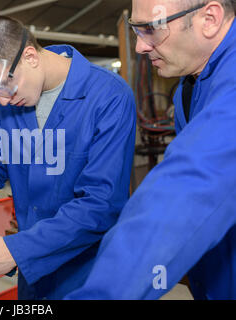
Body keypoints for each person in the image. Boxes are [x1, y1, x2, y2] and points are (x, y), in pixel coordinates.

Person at [0, 15, 136, 299]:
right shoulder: (11, 101)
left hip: (91, 273)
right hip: (34, 277)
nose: (2, 101)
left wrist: (16, 249)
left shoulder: (109, 97)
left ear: (30, 57)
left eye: (4, 85)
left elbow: (100, 203)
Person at [65, 0, 236, 300]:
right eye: (136, 30)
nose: (139, 48)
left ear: (209, 19)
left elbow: (187, 191)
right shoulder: (190, 87)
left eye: (151, 29)